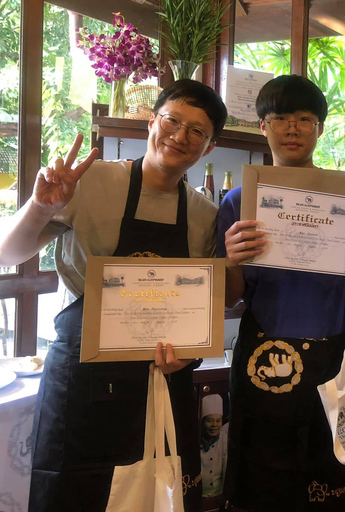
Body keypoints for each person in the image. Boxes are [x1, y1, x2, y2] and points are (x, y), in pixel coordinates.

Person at [0, 79, 227, 512]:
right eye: (172, 120)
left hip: (159, 383)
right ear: (151, 122)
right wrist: (41, 206)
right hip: (81, 382)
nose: (180, 136)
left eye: (196, 131)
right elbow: (8, 253)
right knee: (74, 494)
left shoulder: (205, 216)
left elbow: (205, 306)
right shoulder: (91, 182)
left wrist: (190, 356)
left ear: (209, 146)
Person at [218, 74, 345, 511]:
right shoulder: (238, 201)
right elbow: (231, 298)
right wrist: (232, 260)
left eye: (304, 119)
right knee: (264, 472)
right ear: (262, 127)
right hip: (265, 351)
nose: (291, 128)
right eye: (279, 118)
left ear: (320, 128)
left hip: (339, 353)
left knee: (335, 462)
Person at [201, 394, 228, 498]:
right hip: (199, 496)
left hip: (219, 495)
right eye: (209, 420)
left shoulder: (225, 440)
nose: (214, 425)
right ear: (203, 422)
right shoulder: (194, 441)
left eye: (218, 421)